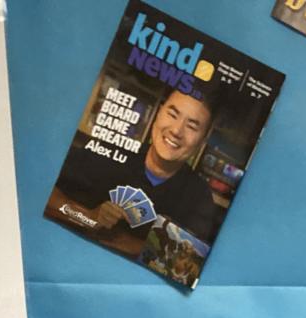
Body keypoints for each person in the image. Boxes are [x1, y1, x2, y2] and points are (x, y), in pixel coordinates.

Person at [56, 85, 222, 246]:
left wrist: (128, 244)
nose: (176, 131)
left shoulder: (199, 198)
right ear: (158, 114)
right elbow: (46, 190)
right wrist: (87, 217)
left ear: (202, 141)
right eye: (172, 114)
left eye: (191, 126)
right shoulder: (110, 150)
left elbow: (185, 260)